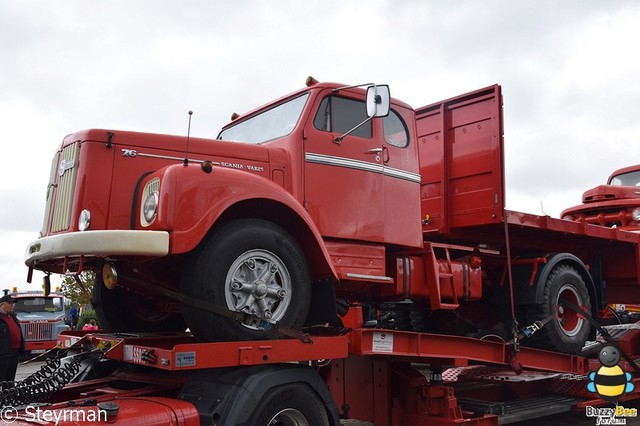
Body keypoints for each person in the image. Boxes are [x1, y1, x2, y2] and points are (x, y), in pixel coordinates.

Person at [0, 293, 25, 383]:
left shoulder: (13, 316)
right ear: (2, 304)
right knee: (2, 379)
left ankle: (10, 395)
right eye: (9, 303)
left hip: (14, 353)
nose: (12, 305)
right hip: (3, 355)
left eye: (13, 303)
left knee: (10, 379)